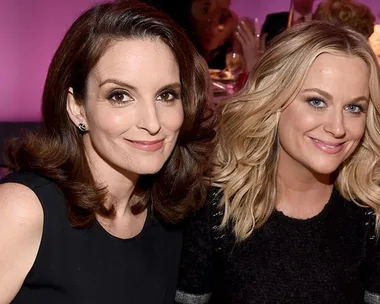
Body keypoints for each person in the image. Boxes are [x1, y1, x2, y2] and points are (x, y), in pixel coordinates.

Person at [0, 1, 215, 303]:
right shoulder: (21, 210)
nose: (152, 123)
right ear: (77, 107)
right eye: (120, 96)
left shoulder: (169, 211)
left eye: (166, 95)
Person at [176, 21, 380, 304]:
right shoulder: (215, 206)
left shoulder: (370, 213)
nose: (338, 127)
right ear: (274, 99)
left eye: (353, 108)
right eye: (317, 102)